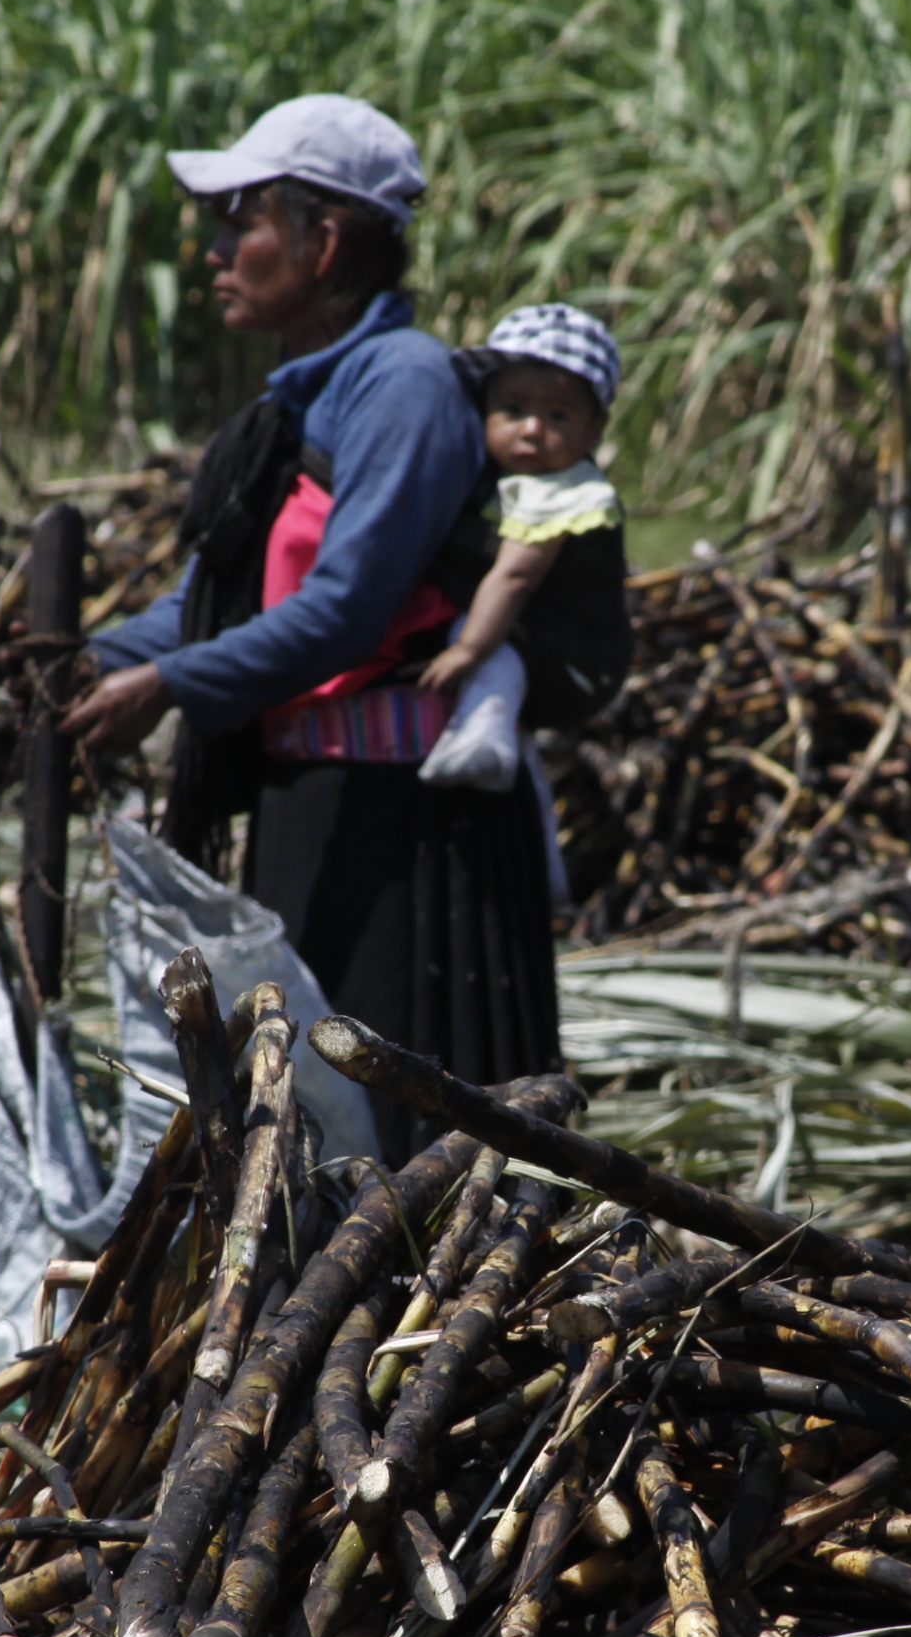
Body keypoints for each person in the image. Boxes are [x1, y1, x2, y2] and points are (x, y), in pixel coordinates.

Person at [59, 96, 558, 1150]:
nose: (218, 251)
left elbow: (345, 612)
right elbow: (212, 610)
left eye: (245, 221)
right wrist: (91, 662)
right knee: (314, 1128)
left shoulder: (404, 386)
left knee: (405, 1135)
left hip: (409, 832)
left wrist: (166, 688)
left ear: (324, 240)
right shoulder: (307, 402)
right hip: (313, 805)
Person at [415, 304, 626, 796]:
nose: (532, 429)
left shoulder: (561, 491)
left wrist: (468, 652)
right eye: (513, 410)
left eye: (557, 415)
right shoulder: (506, 480)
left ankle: (483, 733)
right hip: (556, 654)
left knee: (485, 636)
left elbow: (515, 578)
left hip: (574, 656)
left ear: (594, 428)